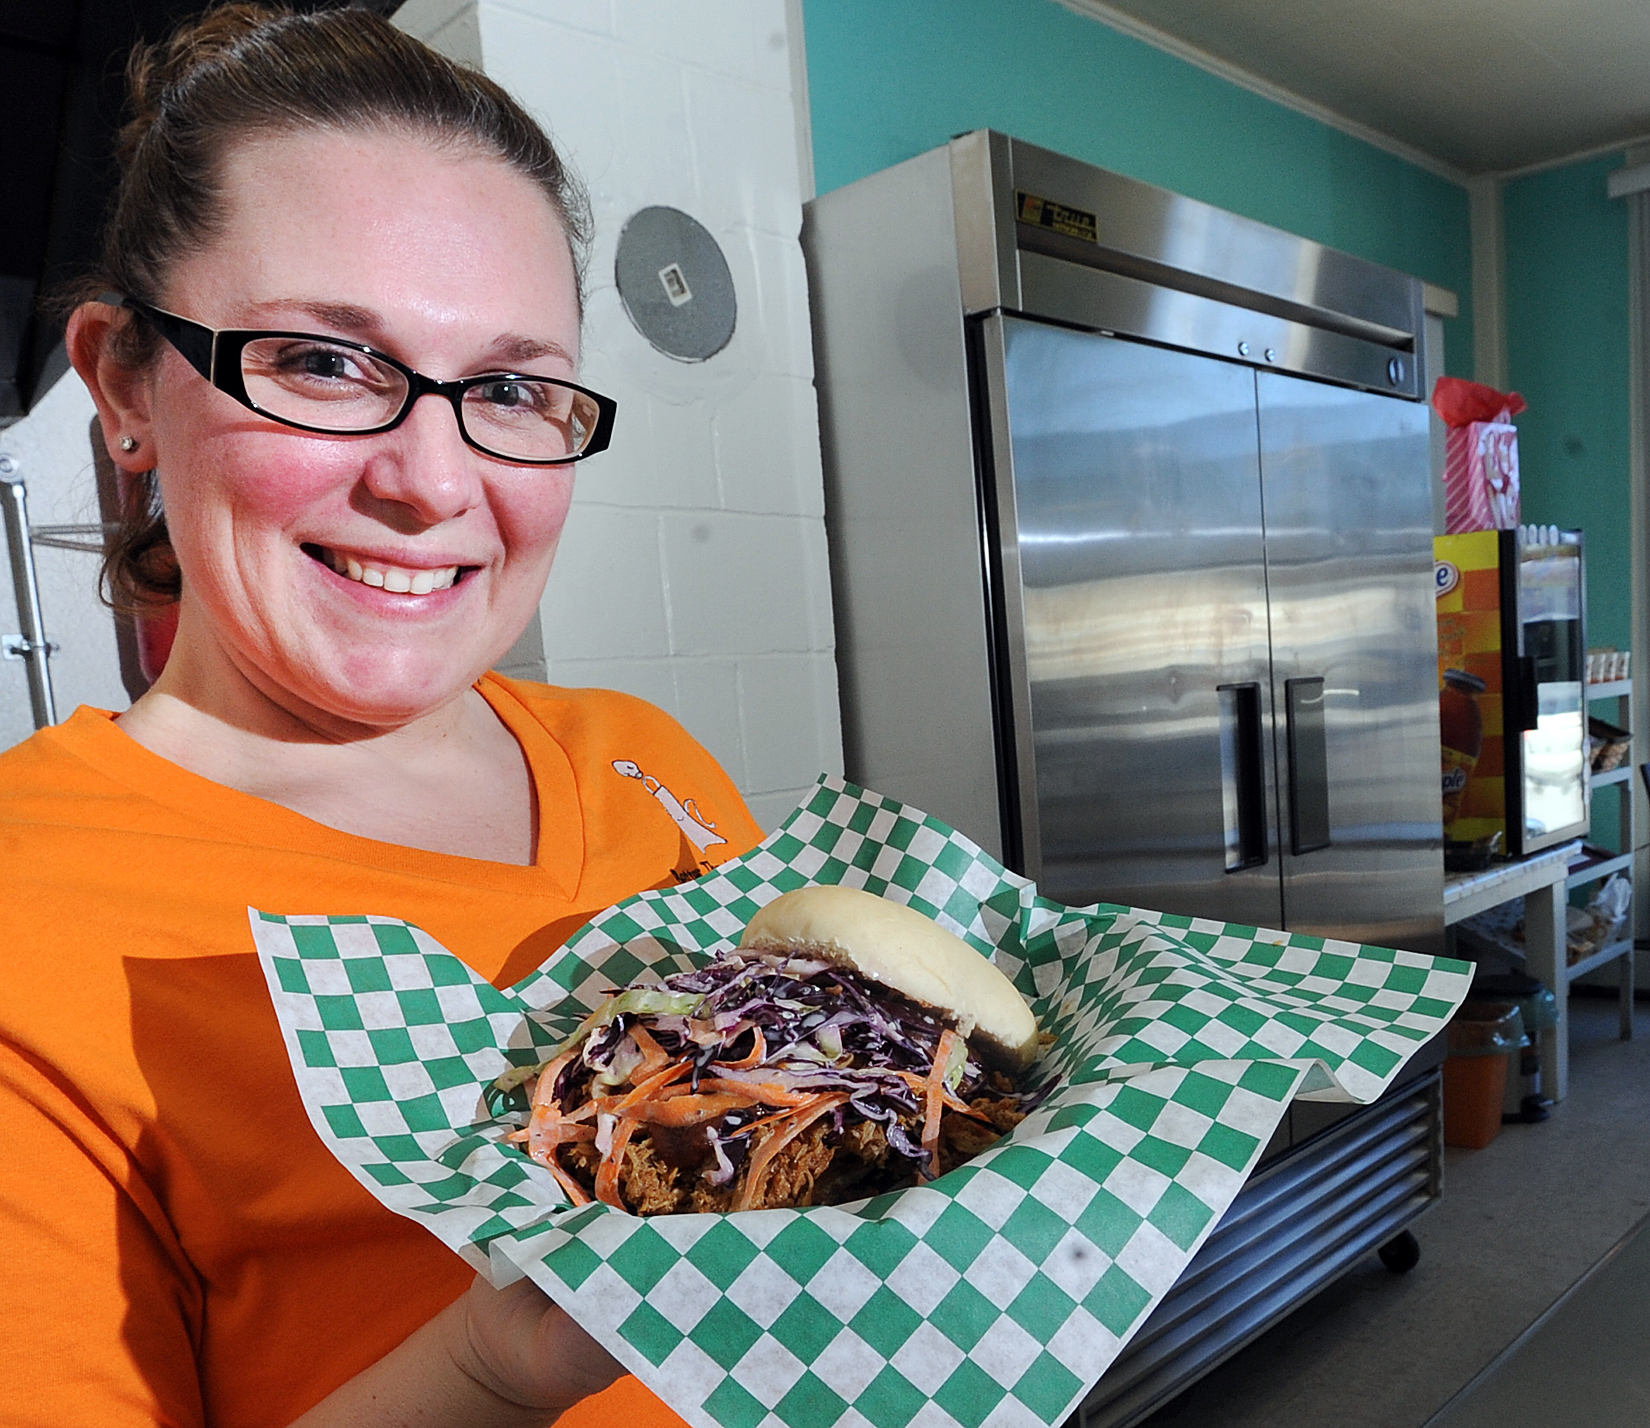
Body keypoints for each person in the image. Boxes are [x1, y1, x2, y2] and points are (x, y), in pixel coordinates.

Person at [0, 6, 764, 1427]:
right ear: (122, 384)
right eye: (322, 362)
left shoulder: (640, 758)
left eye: (512, 389)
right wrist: (487, 1370)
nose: (432, 480)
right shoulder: (24, 910)